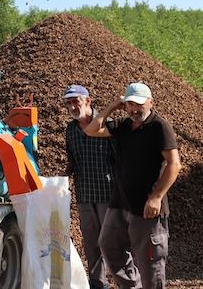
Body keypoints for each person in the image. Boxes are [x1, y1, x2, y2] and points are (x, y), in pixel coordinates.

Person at [84, 82, 182, 289]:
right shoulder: (123, 126)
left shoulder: (159, 127)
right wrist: (112, 106)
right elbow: (91, 130)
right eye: (129, 104)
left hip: (147, 208)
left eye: (139, 104)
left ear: (151, 102)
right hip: (120, 203)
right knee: (108, 245)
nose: (135, 109)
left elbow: (174, 164)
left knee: (150, 263)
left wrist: (156, 197)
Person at [63, 84, 114, 289]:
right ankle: (98, 283)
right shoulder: (71, 130)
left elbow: (121, 157)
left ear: (88, 101)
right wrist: (61, 180)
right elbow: (72, 160)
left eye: (76, 101)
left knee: (112, 242)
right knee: (91, 243)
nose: (73, 106)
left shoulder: (107, 124)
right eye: (69, 103)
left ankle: (125, 280)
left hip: (108, 193)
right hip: (84, 194)